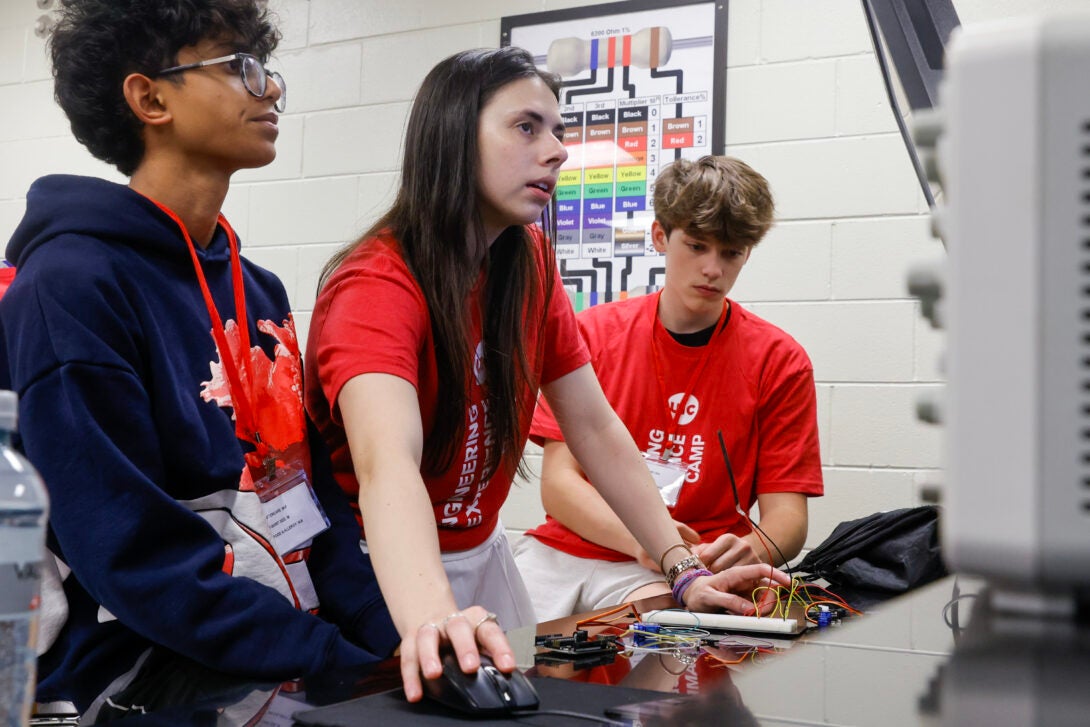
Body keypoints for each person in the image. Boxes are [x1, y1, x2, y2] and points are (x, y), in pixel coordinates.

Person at [304, 47, 791, 704]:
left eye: (558, 130)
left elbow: (594, 427)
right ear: (453, 136)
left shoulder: (526, 258)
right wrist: (434, 621)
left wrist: (680, 571)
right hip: (383, 566)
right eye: (527, 127)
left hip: (483, 552)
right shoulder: (377, 285)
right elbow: (385, 463)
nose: (558, 150)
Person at [0, 0, 398, 718]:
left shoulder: (257, 287)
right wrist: (333, 657)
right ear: (149, 97)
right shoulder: (70, 284)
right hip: (134, 683)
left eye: (266, 69)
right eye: (240, 67)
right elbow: (131, 551)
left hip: (278, 662)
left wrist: (396, 646)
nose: (270, 88)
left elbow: (316, 504)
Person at [513, 156, 824, 621]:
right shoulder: (592, 335)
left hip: (687, 570)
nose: (712, 269)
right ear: (661, 237)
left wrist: (750, 551)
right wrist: (652, 542)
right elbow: (559, 486)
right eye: (697, 246)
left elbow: (788, 520)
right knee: (500, 657)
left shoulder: (779, 361)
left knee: (648, 661)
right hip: (571, 550)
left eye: (731, 253)